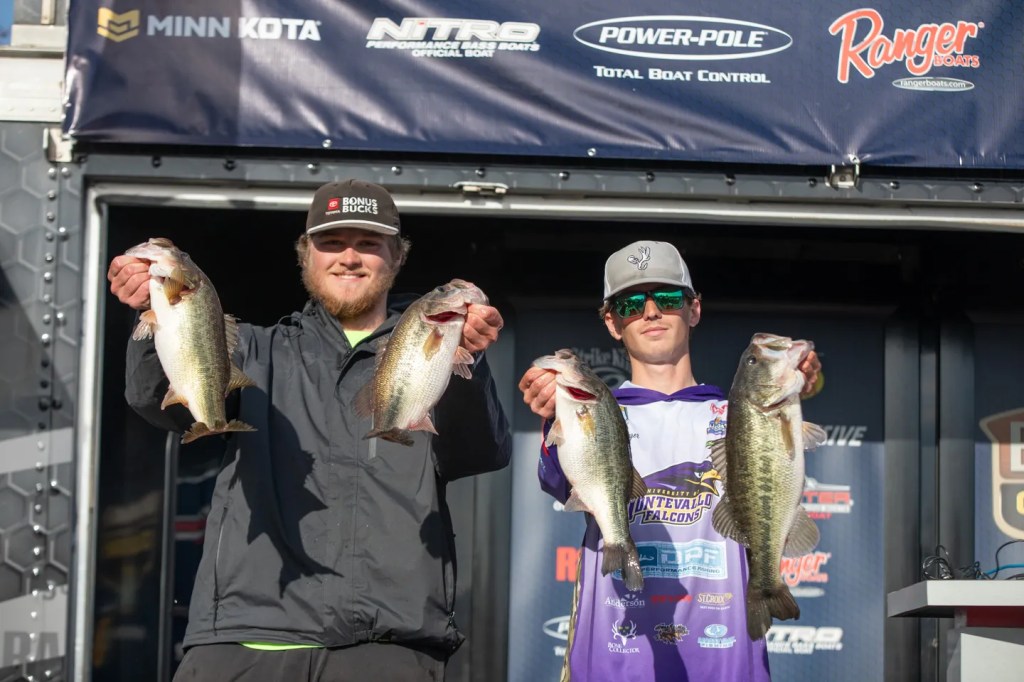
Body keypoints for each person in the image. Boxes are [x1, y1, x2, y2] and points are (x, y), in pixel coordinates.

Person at [107, 179, 512, 681]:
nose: (349, 257)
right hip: (246, 636)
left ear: (397, 256)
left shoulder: (431, 345)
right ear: (306, 254)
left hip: (389, 641)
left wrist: (466, 358)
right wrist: (152, 311)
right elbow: (157, 402)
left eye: (369, 243)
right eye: (332, 242)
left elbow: (482, 451)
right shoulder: (255, 349)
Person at [518, 240, 821, 681]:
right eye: (631, 304)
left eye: (667, 298)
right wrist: (551, 413)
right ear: (612, 322)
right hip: (615, 659)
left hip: (725, 661)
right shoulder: (594, 411)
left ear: (694, 309)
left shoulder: (741, 413)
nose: (651, 312)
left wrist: (804, 377)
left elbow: (791, 408)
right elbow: (558, 481)